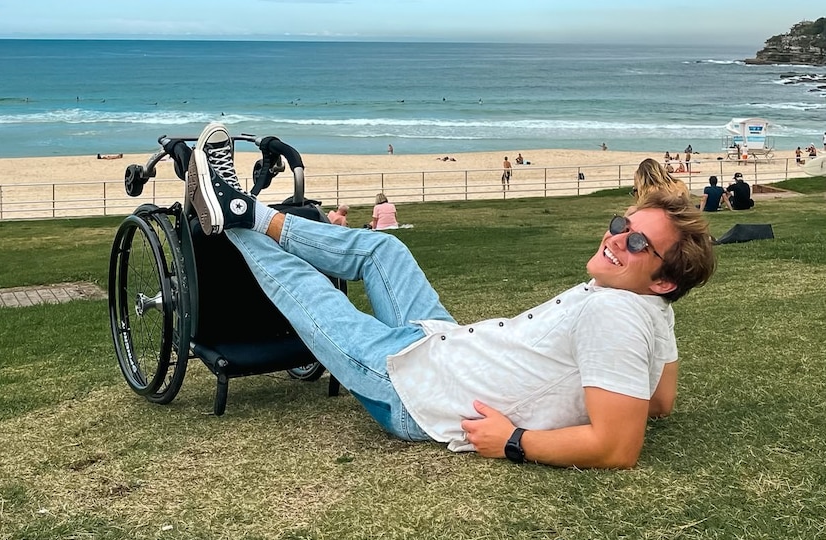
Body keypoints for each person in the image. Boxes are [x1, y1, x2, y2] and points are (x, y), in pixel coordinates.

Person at [182, 122, 717, 469]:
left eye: (638, 241)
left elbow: (617, 447)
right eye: (622, 222)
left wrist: (515, 439)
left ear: (664, 277)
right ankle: (244, 211)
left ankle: (232, 218)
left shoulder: (617, 314)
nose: (616, 236)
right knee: (385, 253)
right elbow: (660, 403)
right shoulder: (652, 307)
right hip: (443, 342)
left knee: (313, 297)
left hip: (409, 388)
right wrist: (582, 386)